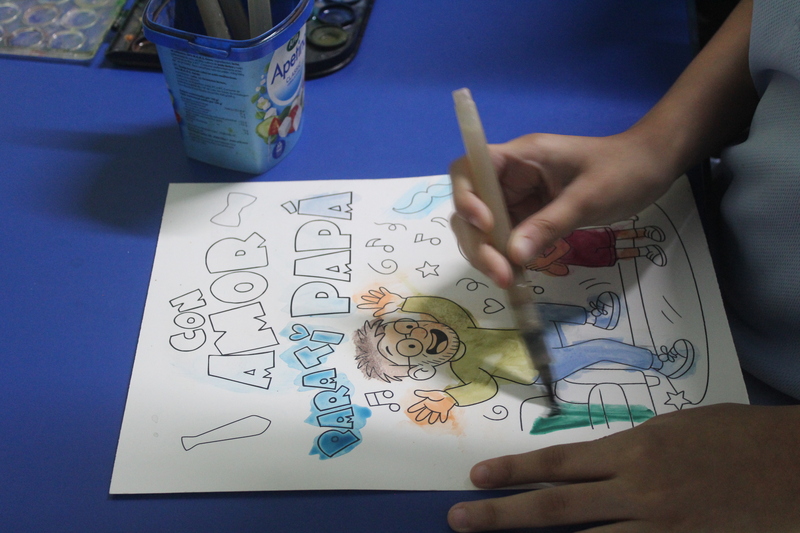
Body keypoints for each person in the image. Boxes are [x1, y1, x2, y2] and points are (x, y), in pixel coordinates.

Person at [446, 0, 800, 531]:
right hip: (704, 254)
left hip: (765, 428)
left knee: (597, 349)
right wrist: (656, 144)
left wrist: (787, 466)